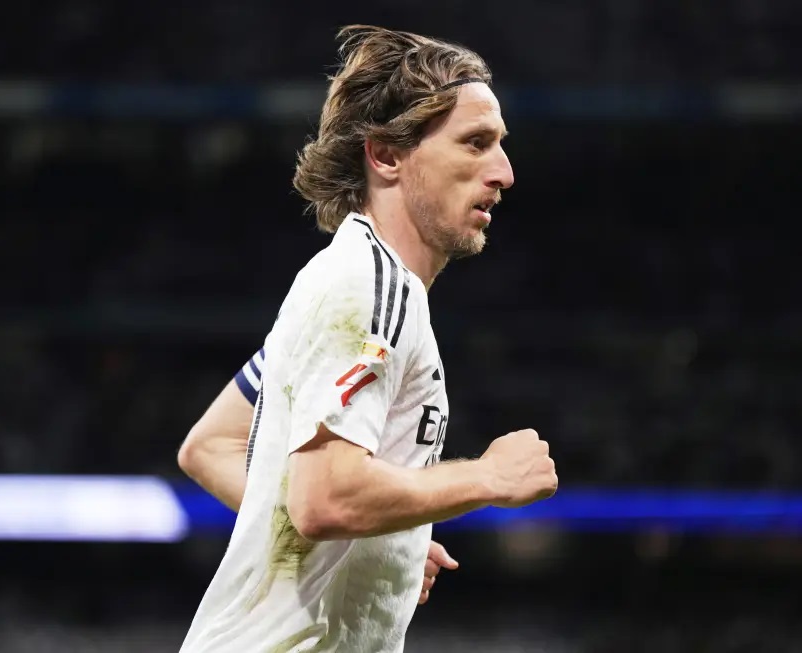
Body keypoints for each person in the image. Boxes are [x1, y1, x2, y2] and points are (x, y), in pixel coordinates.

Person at [176, 24, 558, 653]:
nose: (504, 172)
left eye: (500, 146)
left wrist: (379, 536)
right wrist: (488, 477)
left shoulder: (355, 284)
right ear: (385, 156)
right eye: (475, 143)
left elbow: (211, 445)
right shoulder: (369, 289)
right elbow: (324, 499)